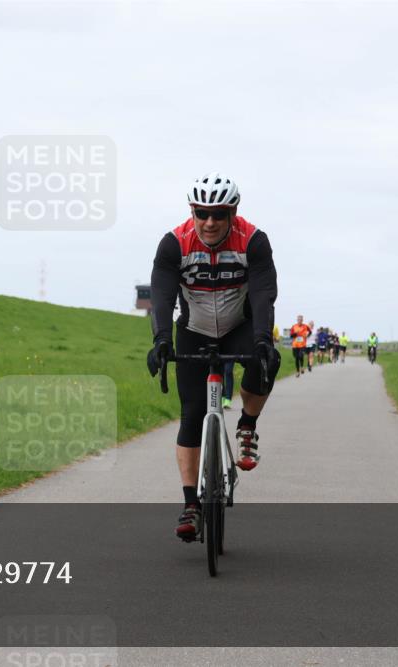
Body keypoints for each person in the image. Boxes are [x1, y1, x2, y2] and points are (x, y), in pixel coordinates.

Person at [147, 172, 279, 540]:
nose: (209, 222)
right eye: (201, 213)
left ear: (233, 212)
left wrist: (263, 340)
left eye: (218, 214)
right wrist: (160, 339)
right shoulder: (174, 243)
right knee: (191, 416)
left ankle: (247, 424)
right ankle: (191, 503)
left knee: (265, 362)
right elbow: (161, 294)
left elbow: (264, 294)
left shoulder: (253, 241)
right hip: (193, 329)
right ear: (192, 210)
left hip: (240, 324)